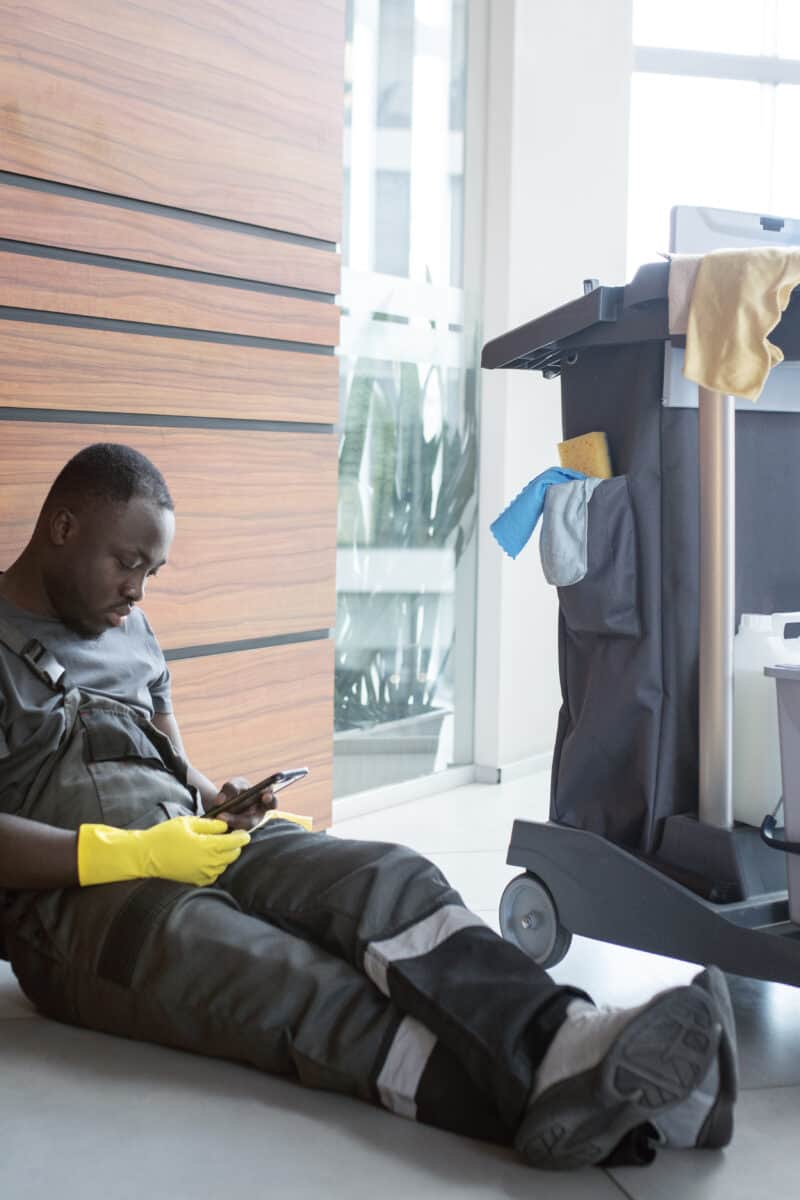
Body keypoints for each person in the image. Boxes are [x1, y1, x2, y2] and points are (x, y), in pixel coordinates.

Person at [0, 443, 737, 1172]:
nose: (137, 591)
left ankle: (570, 1035)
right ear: (63, 528)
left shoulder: (128, 629)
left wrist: (220, 800)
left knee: (387, 878)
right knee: (280, 971)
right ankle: (640, 1107)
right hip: (76, 903)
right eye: (127, 563)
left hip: (186, 842)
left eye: (151, 572)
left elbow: (171, 761)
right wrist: (126, 854)